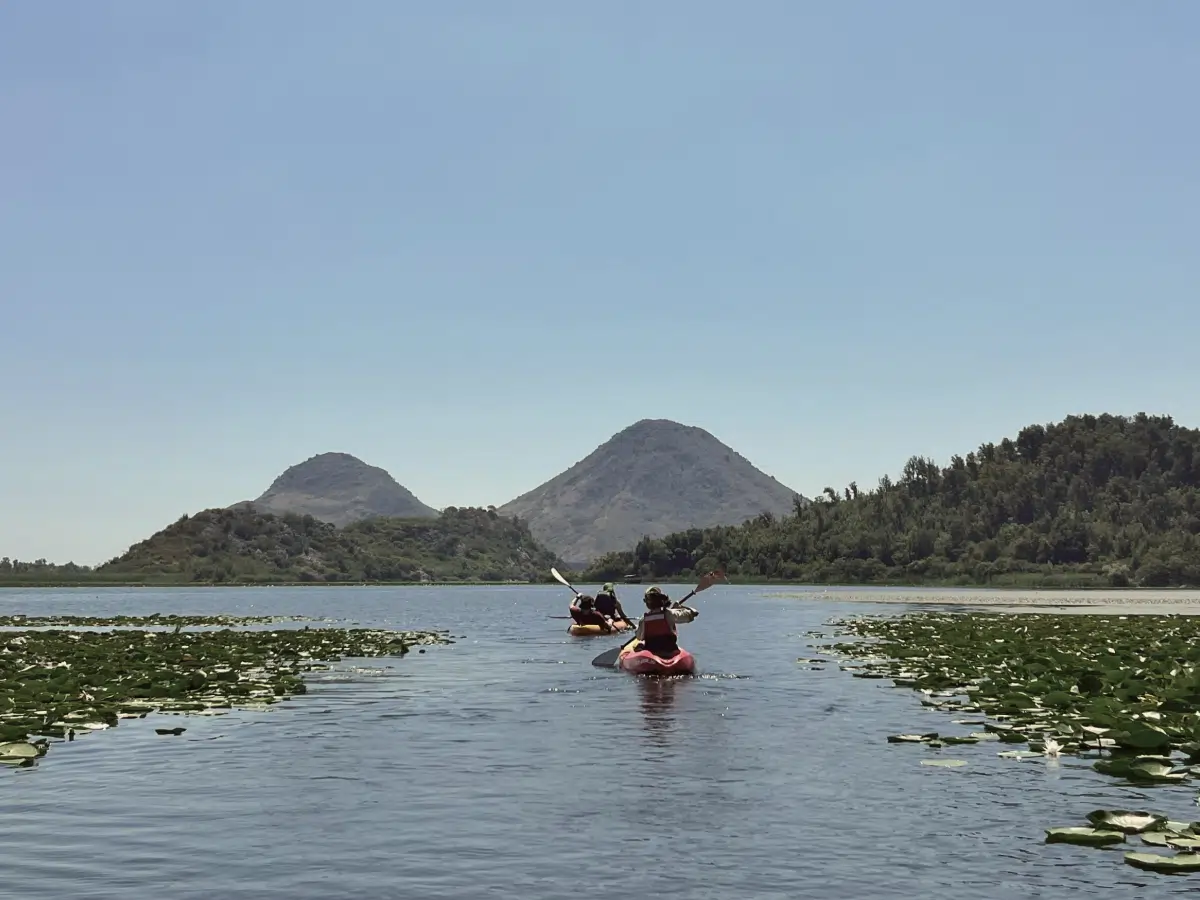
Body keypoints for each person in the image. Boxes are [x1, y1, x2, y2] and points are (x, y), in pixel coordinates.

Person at [632, 586, 686, 658]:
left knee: (639, 646)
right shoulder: (669, 614)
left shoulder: (644, 620)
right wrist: (678, 609)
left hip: (652, 651)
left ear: (647, 603)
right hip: (670, 650)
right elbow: (692, 614)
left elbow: (639, 637)